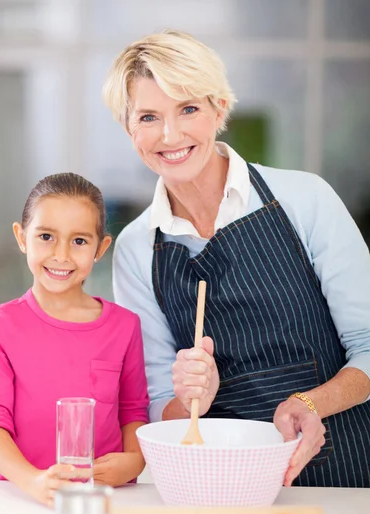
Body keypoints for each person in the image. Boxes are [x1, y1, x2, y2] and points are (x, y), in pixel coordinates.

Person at [103, 30, 370, 488]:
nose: (170, 135)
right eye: (148, 117)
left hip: (345, 474)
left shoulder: (305, 200)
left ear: (219, 109)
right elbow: (158, 409)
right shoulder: (134, 249)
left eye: (188, 108)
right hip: (221, 485)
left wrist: (309, 404)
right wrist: (190, 398)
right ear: (130, 131)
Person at [0, 173, 149, 506]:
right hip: (21, 498)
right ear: (22, 238)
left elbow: (133, 409)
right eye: (46, 236)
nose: (62, 255)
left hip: (104, 499)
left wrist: (135, 459)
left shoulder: (125, 327)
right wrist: (33, 481)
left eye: (79, 241)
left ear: (101, 248)